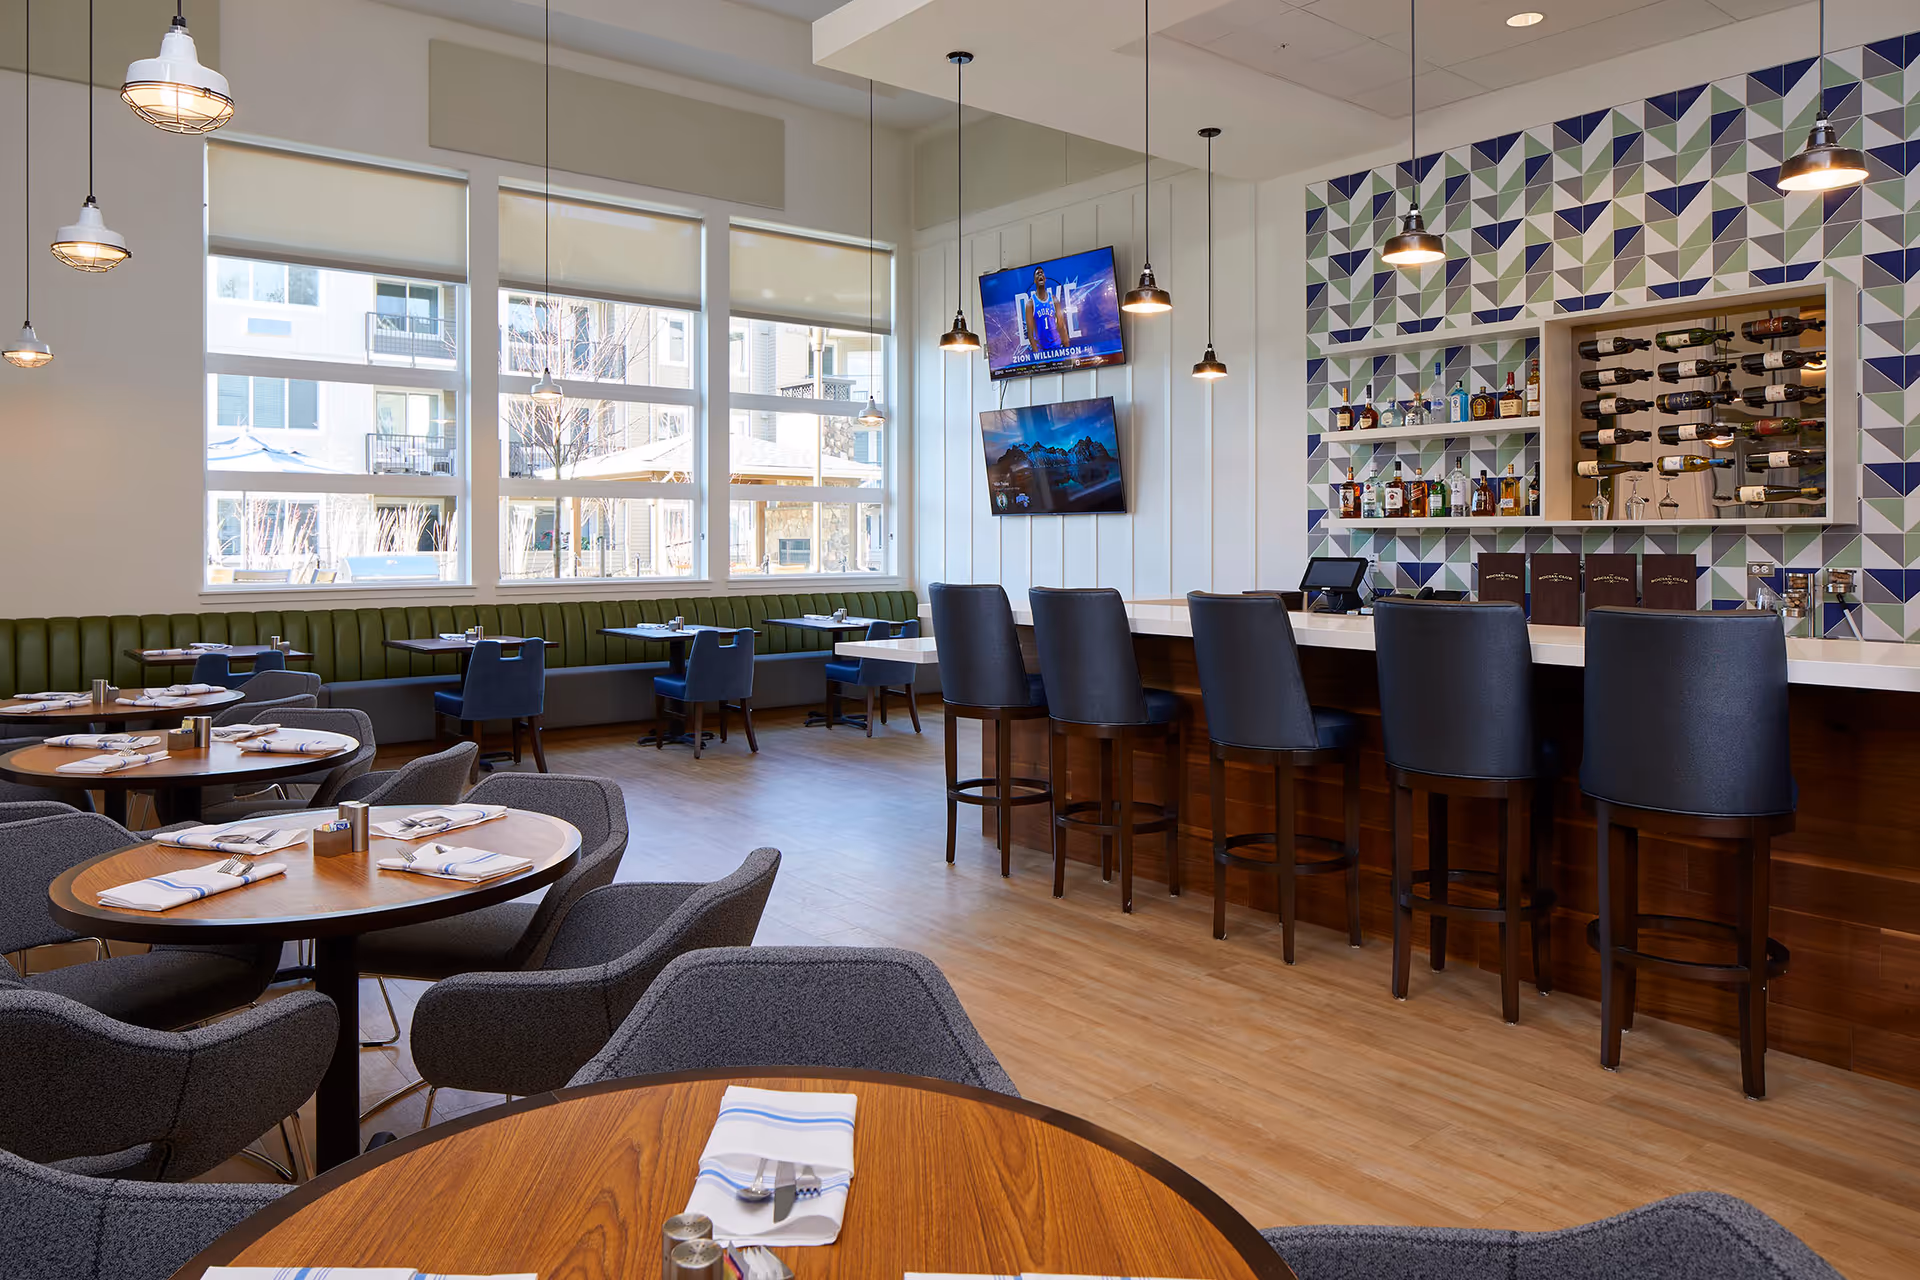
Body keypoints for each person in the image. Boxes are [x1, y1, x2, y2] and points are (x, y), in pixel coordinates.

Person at [1021, 266, 1064, 354]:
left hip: (1056, 348)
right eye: (1038, 274)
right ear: (1035, 280)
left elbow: (1061, 327)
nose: (1040, 274)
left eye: (1042, 273)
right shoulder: (1030, 304)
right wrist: (1038, 356)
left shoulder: (1054, 300)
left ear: (1045, 279)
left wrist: (1067, 350)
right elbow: (1030, 335)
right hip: (1042, 351)